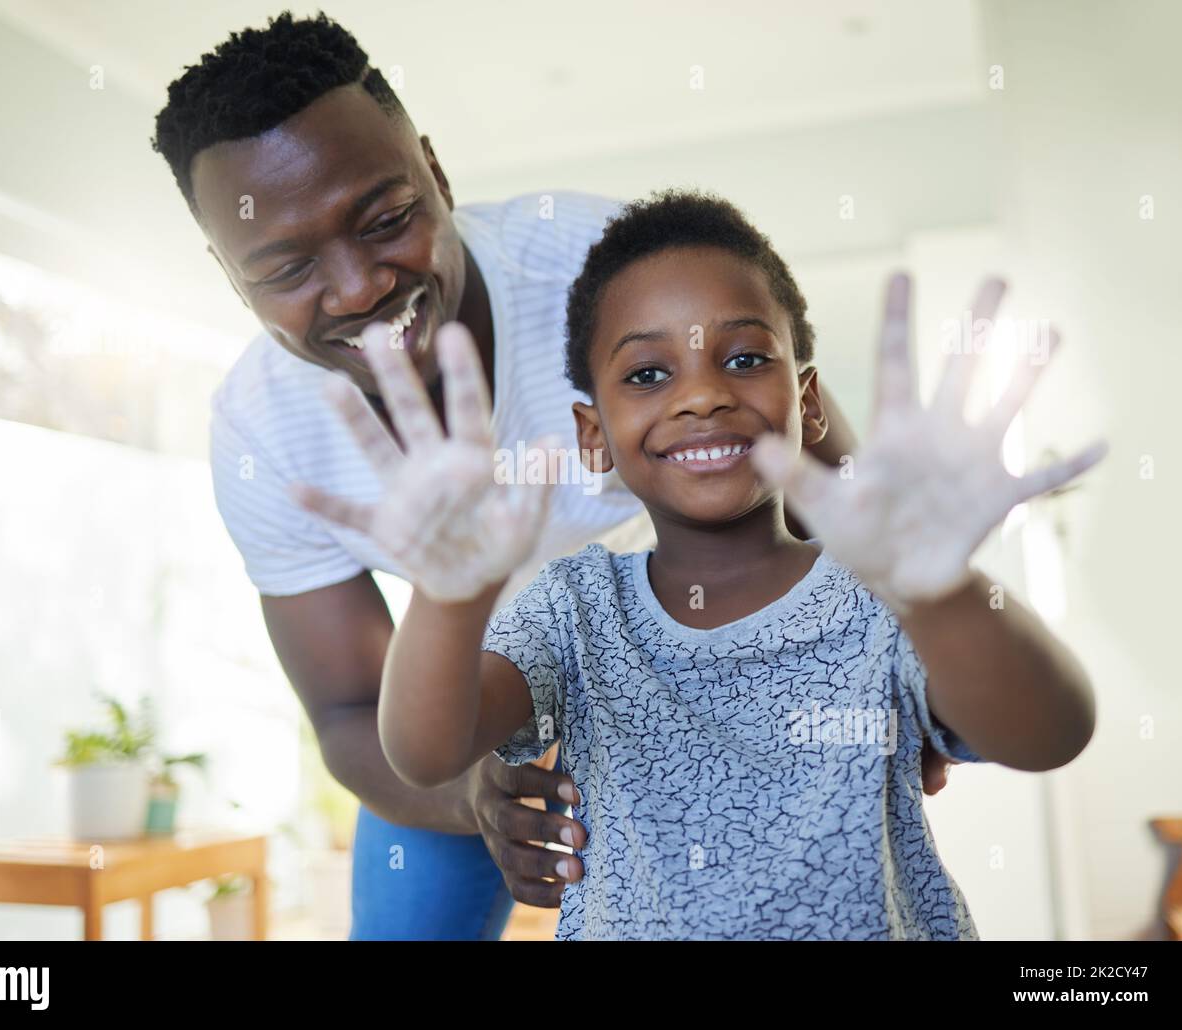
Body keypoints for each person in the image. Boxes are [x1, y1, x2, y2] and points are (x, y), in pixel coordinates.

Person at [151, 13, 952, 940]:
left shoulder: (600, 271)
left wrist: (899, 669)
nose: (362, 285)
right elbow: (345, 710)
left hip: (684, 662)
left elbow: (823, 485)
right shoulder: (261, 431)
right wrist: (473, 797)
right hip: (459, 699)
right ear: (231, 278)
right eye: (288, 266)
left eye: (387, 220)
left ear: (437, 175)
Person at [302, 190, 1104, 938]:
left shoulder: (878, 592)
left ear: (809, 401)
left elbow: (1051, 735)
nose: (702, 396)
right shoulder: (574, 607)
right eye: (648, 374)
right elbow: (428, 750)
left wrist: (942, 595)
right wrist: (449, 599)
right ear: (594, 435)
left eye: (746, 359)